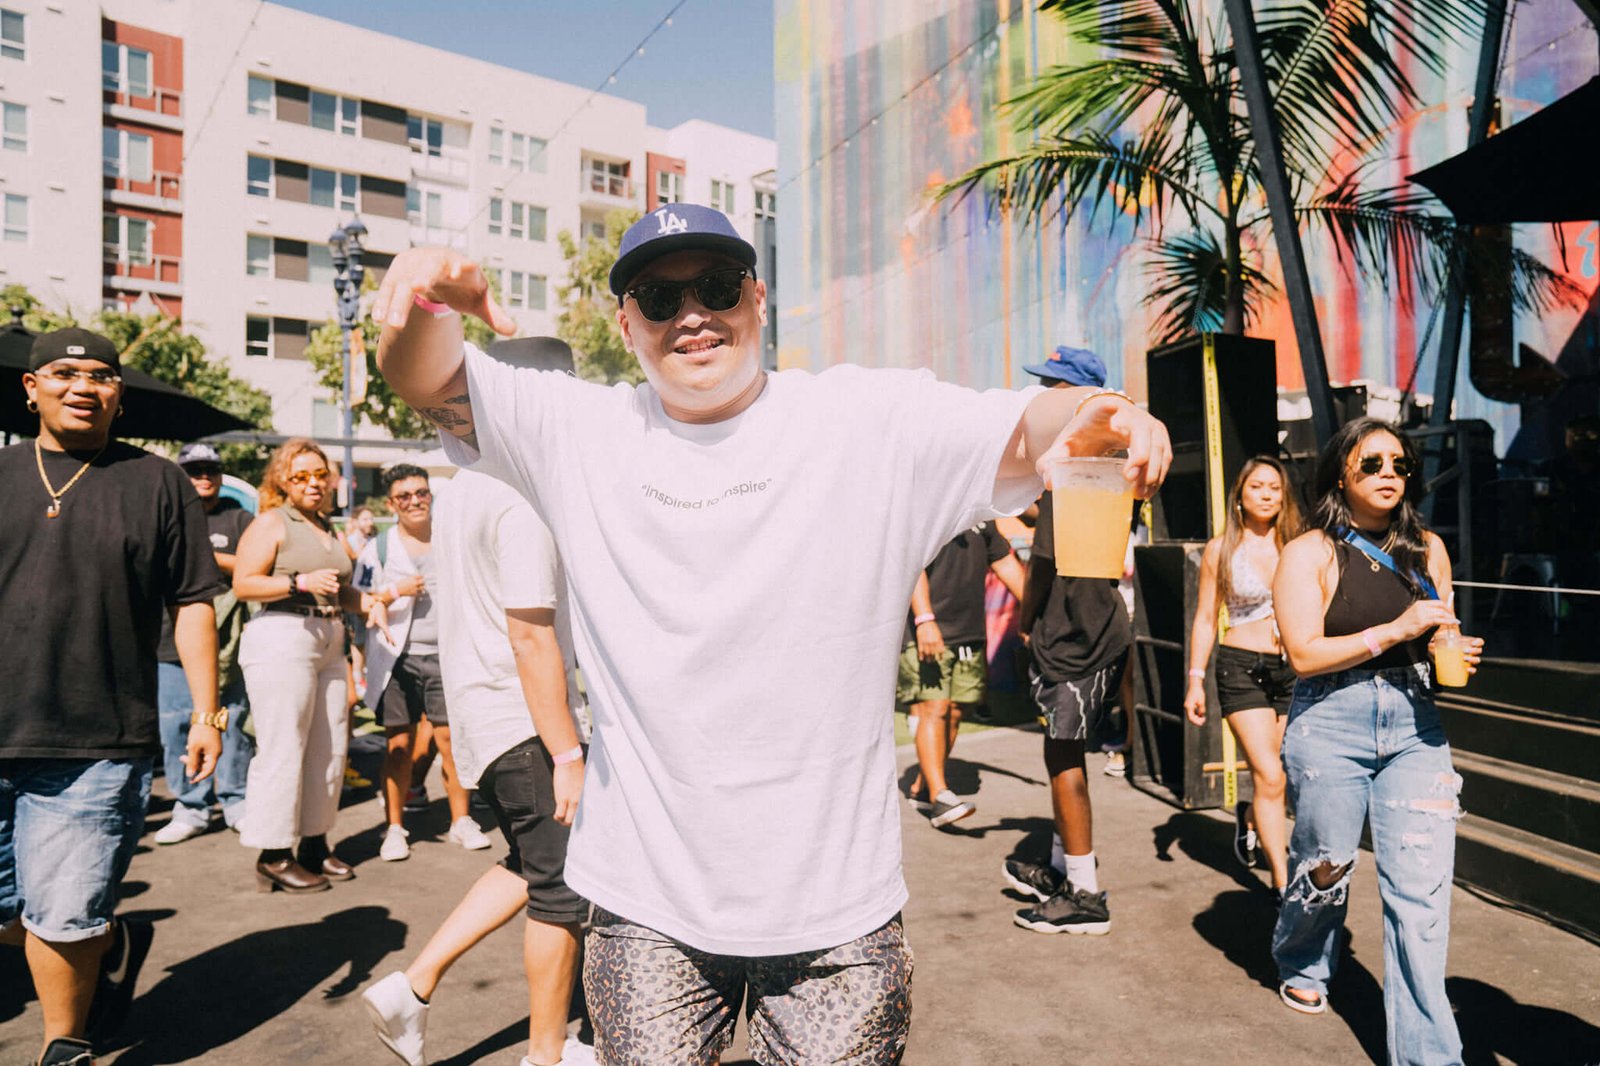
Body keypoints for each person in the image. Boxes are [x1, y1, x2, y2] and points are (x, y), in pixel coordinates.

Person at [370, 204, 1171, 1063]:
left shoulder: (865, 420)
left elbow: (1033, 421)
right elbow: (425, 379)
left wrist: (1109, 409)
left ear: (756, 298)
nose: (691, 314)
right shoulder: (581, 431)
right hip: (645, 905)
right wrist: (423, 301)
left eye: (716, 287)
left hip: (839, 912)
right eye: (659, 297)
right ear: (626, 324)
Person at [0, 328, 226, 1066]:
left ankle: (64, 1047)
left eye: (100, 375)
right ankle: (113, 940)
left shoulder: (157, 482)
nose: (83, 387)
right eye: (64, 373)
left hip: (98, 739)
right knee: (13, 916)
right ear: (31, 387)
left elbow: (193, 603)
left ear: (118, 394)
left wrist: (207, 712)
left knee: (63, 918)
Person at [363, 440, 593, 1066]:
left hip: (486, 715)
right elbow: (529, 636)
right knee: (560, 889)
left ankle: (413, 985)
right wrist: (567, 754)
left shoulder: (464, 486)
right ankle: (546, 1054)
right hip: (527, 719)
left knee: (528, 862)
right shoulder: (521, 496)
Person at [1271, 417, 1480, 1061]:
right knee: (1326, 867)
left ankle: (1428, 1055)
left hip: (1416, 725)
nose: (1389, 474)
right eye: (1371, 463)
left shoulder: (1428, 548)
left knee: (1421, 899)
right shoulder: (1309, 552)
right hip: (1331, 720)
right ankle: (1303, 957)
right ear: (1341, 474)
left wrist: (1452, 650)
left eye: (1399, 464)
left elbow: (1440, 631)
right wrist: (1394, 630)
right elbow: (1303, 655)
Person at [1006, 346, 1132, 936]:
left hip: (1075, 637)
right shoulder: (1109, 465)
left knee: (1064, 758)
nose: (1044, 398)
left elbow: (1044, 564)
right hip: (1092, 629)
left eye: (1055, 389)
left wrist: (1026, 620)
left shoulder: (1073, 473)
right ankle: (1062, 868)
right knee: (1064, 755)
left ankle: (1084, 894)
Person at [233, 439, 377, 893]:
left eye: (320, 475)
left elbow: (337, 589)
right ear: (283, 481)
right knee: (283, 746)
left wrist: (369, 602)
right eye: (301, 476)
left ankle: (315, 843)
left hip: (329, 636)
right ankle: (274, 854)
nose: (313, 483)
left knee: (330, 746)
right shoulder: (272, 522)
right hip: (283, 636)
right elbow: (243, 584)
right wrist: (298, 581)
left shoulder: (325, 526)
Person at [1183, 457, 1303, 900]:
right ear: (1240, 494)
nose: (1267, 494)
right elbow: (1204, 619)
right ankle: (1282, 882)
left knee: (1283, 773)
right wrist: (1195, 680)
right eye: (1257, 486)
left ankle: (1251, 815)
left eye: (1274, 487)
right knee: (1269, 775)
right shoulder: (1221, 549)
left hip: (1293, 670)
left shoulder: (1298, 544)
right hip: (1241, 668)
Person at [356, 464, 489, 861]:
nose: (414, 501)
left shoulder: (451, 539)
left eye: (421, 493)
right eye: (404, 496)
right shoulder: (379, 549)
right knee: (399, 746)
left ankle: (461, 820)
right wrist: (393, 591)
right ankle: (395, 828)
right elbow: (358, 600)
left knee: (451, 742)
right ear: (391, 504)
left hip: (447, 656)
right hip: (397, 658)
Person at [151, 442, 257, 845]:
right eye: (194, 471)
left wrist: (202, 557)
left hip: (230, 643)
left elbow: (256, 567)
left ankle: (235, 800)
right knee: (177, 726)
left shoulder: (239, 518)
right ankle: (190, 806)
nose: (204, 477)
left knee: (232, 725)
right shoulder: (167, 515)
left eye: (211, 470)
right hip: (170, 640)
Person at [899, 524, 1025, 826]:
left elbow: (1004, 563)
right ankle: (940, 795)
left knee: (955, 711)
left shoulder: (982, 515)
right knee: (935, 707)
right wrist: (925, 620)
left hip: (968, 631)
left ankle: (925, 785)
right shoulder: (929, 508)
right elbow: (912, 563)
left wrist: (1036, 613)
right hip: (927, 629)